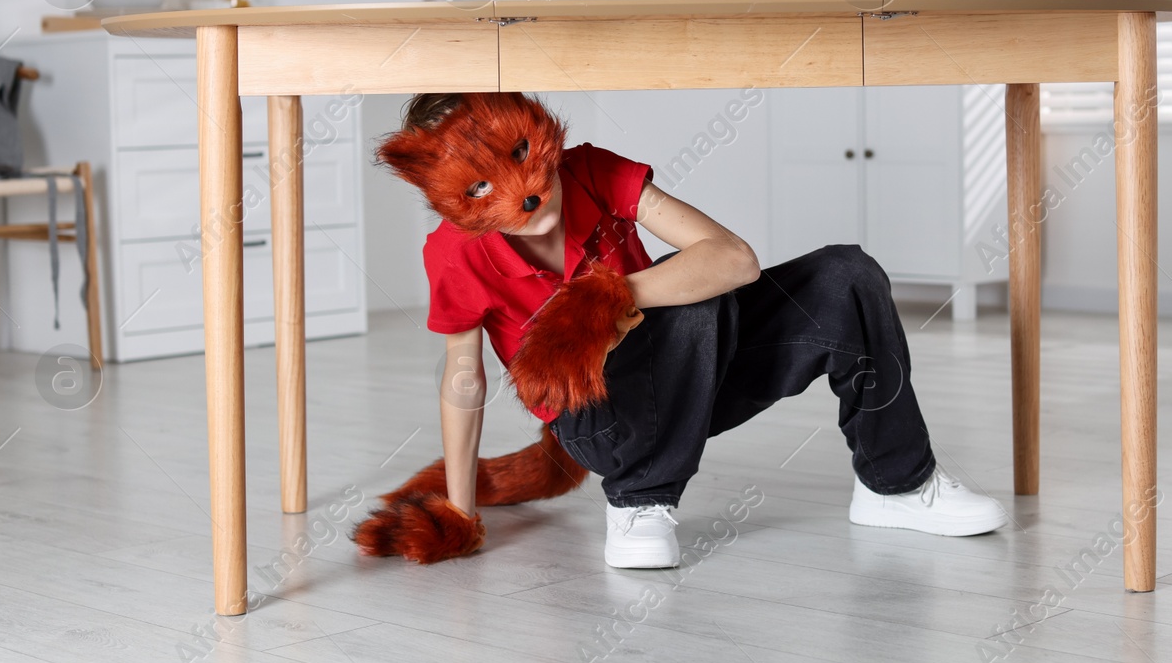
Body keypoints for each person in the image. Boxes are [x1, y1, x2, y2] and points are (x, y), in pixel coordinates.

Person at [355, 91, 1007, 569]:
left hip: (694, 376)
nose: (527, 193)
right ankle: (639, 500)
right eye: (480, 184)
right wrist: (461, 514)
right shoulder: (454, 253)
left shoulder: (590, 170)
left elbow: (735, 258)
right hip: (602, 421)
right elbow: (464, 380)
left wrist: (606, 299)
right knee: (692, 296)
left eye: (523, 153)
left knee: (844, 274)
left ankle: (898, 483)